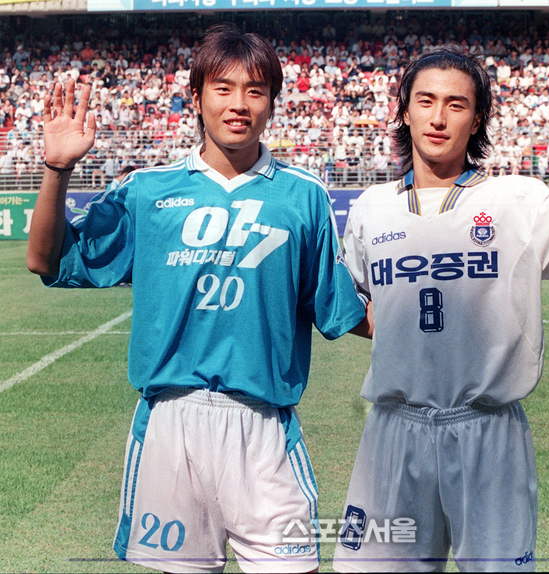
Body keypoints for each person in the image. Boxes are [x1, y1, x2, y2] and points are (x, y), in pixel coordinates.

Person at [27, 23, 369, 574]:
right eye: (223, 88)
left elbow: (340, 308)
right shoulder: (147, 190)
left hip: (265, 427)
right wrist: (57, 168)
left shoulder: (303, 196)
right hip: (171, 423)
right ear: (196, 97)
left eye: (255, 90)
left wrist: (444, 315)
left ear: (272, 103)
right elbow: (47, 261)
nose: (239, 104)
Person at [332, 49, 549, 572]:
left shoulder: (517, 200)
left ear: (477, 120)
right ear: (404, 111)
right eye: (425, 101)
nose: (439, 116)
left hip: (487, 431)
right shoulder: (370, 209)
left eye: (456, 104)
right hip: (393, 430)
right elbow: (357, 305)